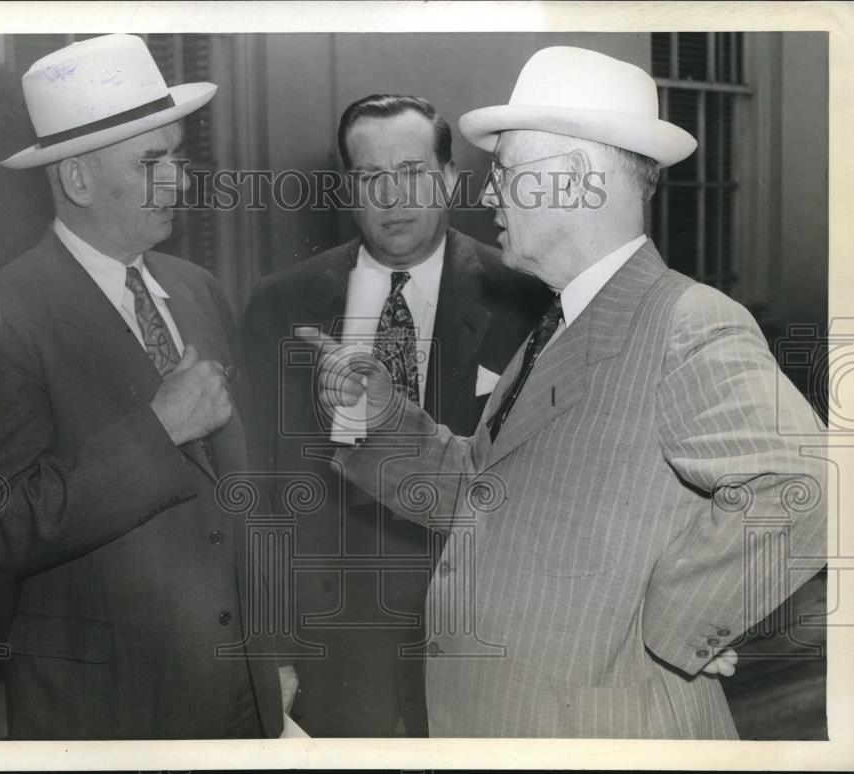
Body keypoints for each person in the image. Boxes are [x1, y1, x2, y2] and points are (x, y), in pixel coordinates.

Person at [303, 46, 827, 739]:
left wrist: (670, 623)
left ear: (575, 180)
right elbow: (485, 497)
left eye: (508, 173)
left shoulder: (685, 322)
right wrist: (382, 421)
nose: (487, 195)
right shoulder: (561, 319)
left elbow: (814, 486)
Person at [0, 34, 289, 739]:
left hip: (241, 691)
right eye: (152, 163)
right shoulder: (1, 315)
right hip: (107, 712)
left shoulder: (198, 290)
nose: (181, 183)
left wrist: (275, 651)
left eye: (179, 159)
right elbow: (6, 526)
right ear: (76, 180)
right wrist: (158, 429)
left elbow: (247, 492)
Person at [242, 95, 547, 736]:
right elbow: (258, 497)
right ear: (347, 189)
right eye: (371, 178)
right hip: (331, 648)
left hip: (479, 634)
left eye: (411, 172)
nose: (392, 197)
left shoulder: (527, 304)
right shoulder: (281, 305)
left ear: (450, 180)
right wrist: (268, 646)